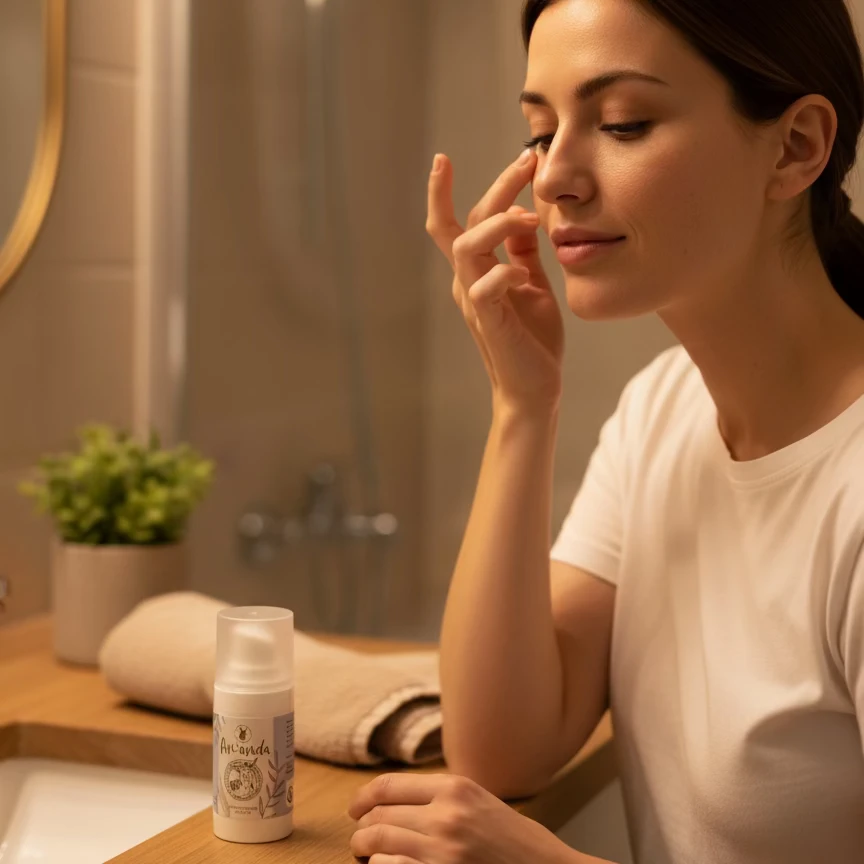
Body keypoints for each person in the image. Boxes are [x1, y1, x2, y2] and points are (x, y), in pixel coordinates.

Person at [347, 0, 864, 861]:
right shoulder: (663, 409)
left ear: (797, 146)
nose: (552, 179)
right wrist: (521, 405)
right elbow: (505, 746)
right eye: (541, 132)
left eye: (623, 123)